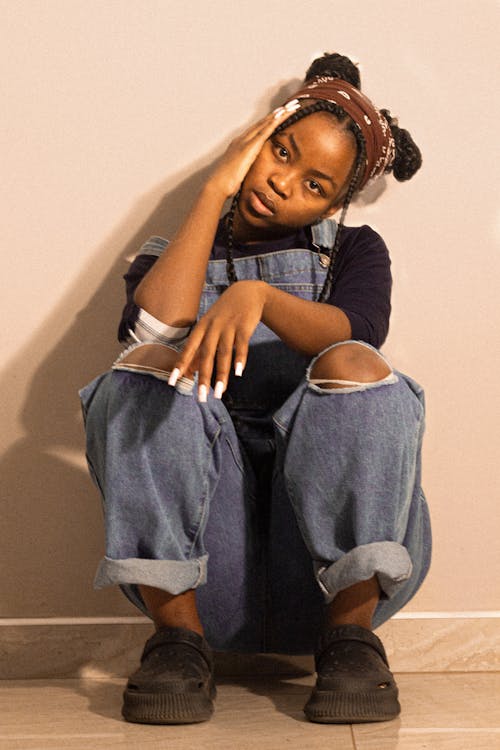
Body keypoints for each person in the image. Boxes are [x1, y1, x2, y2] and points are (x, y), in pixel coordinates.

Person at [79, 52, 431, 726]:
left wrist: (258, 296)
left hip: (324, 573)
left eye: (314, 184)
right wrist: (214, 191)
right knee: (149, 364)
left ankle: (354, 641)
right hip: (207, 569)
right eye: (281, 151)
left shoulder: (353, 252)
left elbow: (356, 331)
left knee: (356, 363)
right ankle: (176, 643)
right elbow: (150, 327)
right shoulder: (173, 249)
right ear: (258, 138)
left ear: (334, 204)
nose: (281, 182)